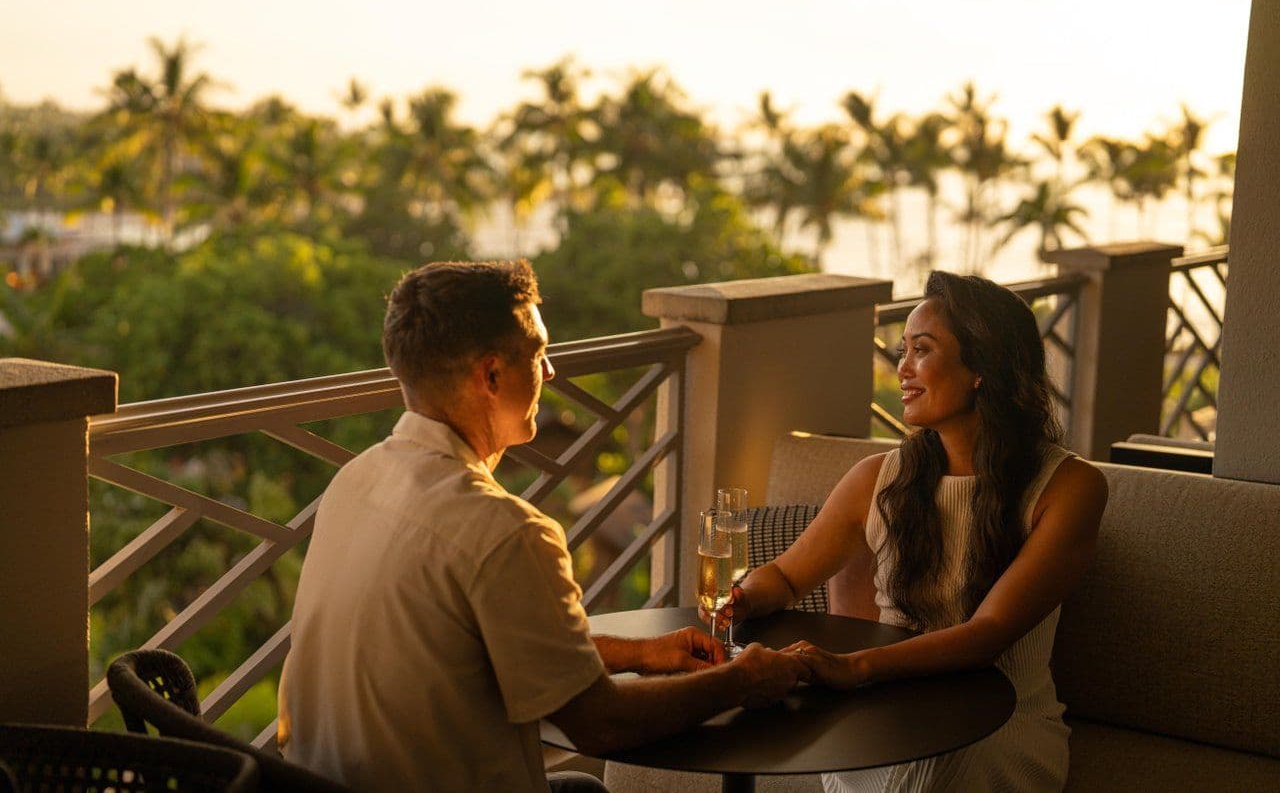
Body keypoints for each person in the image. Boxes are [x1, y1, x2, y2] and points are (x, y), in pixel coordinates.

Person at [278, 260, 806, 792]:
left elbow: (481, 649)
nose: (550, 372)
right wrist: (741, 680)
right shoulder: (504, 531)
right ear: (491, 376)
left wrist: (641, 654)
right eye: (538, 354)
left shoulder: (353, 481)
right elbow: (601, 722)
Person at [715, 271, 1108, 792]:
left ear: (982, 367)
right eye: (903, 350)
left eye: (922, 350)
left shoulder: (1068, 488)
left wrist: (851, 669)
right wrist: (738, 599)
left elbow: (987, 634)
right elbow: (787, 576)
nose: (902, 369)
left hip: (999, 717)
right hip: (888, 706)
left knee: (927, 779)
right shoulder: (878, 478)